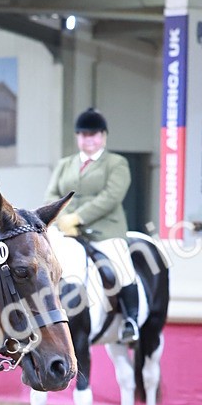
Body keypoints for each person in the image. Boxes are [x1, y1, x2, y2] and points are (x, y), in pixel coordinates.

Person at [45, 107, 139, 344]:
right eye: (84, 135)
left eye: (94, 134)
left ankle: (131, 321)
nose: (89, 140)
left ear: (103, 136)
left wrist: (78, 217)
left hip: (105, 229)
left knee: (121, 265)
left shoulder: (116, 163)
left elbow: (111, 196)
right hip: (65, 230)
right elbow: (52, 195)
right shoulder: (65, 164)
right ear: (78, 137)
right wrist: (61, 218)